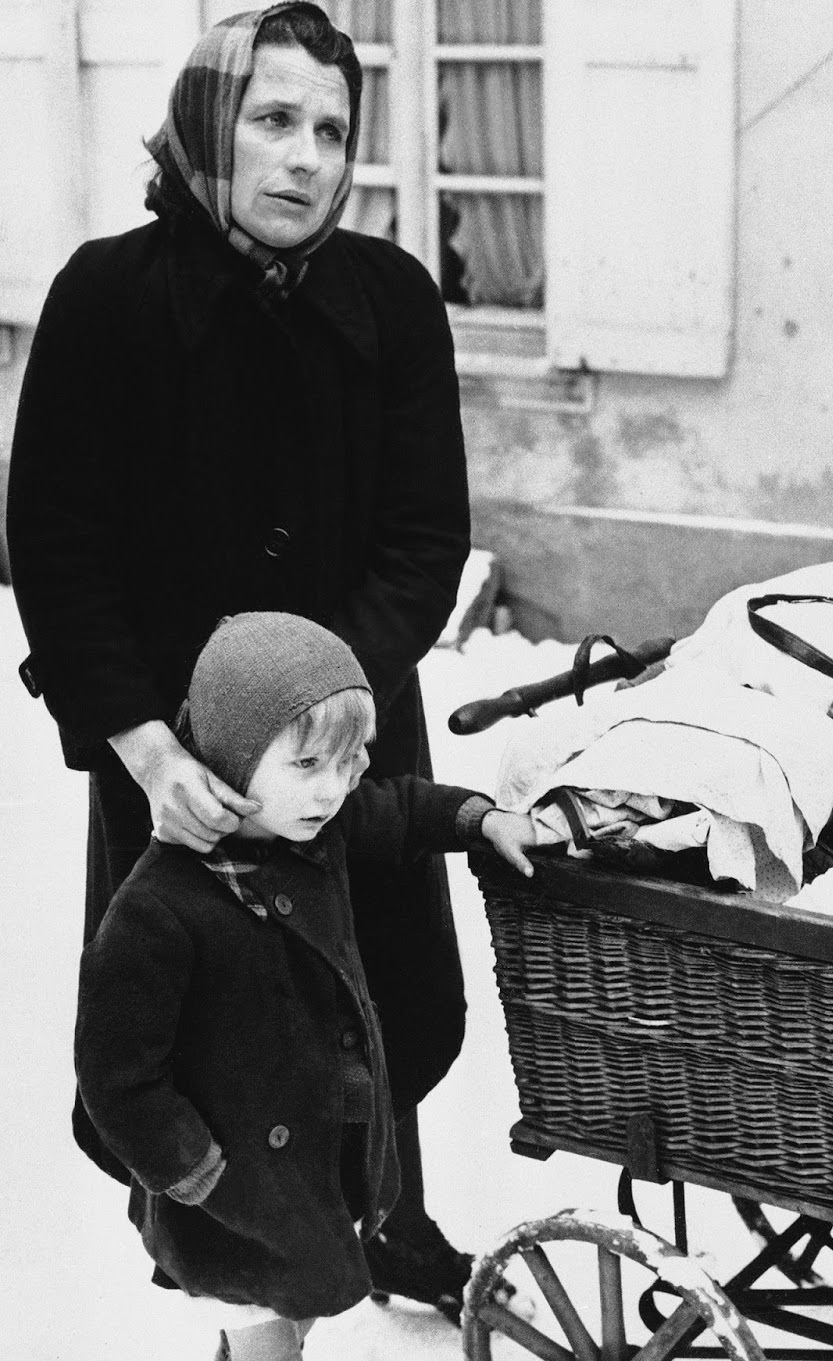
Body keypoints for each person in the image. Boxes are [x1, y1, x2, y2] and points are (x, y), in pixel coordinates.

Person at [5, 3, 480, 1319]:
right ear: (212, 126)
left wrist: (329, 699)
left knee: (367, 998)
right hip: (179, 764)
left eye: (333, 128)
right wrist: (150, 746)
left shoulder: (389, 304)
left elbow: (422, 539)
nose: (307, 157)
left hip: (342, 739)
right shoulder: (108, 300)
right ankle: (240, 1291)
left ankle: (395, 1217)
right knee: (212, 1033)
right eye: (274, 120)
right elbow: (57, 551)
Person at [75, 613, 539, 1361]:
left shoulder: (311, 828)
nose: (333, 788)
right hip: (229, 1201)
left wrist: (479, 819)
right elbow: (116, 1075)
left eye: (349, 762)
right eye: (308, 765)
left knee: (299, 1312)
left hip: (312, 1172)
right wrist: (194, 1168)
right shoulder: (157, 909)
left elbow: (402, 807)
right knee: (270, 1339)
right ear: (231, 753)